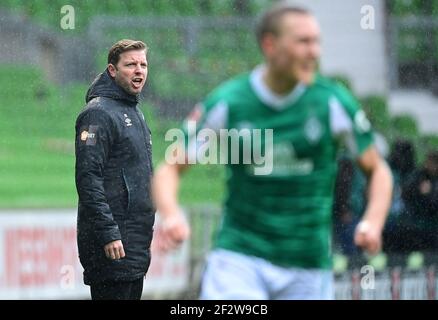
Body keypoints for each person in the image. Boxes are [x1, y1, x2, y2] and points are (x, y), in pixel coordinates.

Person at [153, 2, 393, 299]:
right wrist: (171, 214)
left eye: (317, 42)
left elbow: (378, 169)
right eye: (303, 41)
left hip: (308, 265)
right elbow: (170, 169)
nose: (314, 52)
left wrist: (373, 221)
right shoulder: (230, 102)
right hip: (240, 258)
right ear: (270, 45)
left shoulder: (332, 103)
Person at [75, 39, 154, 300]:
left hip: (134, 244)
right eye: (130, 65)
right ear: (112, 70)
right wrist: (108, 234)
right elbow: (88, 178)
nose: (139, 70)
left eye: (143, 64)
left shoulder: (134, 112)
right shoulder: (97, 115)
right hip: (112, 245)